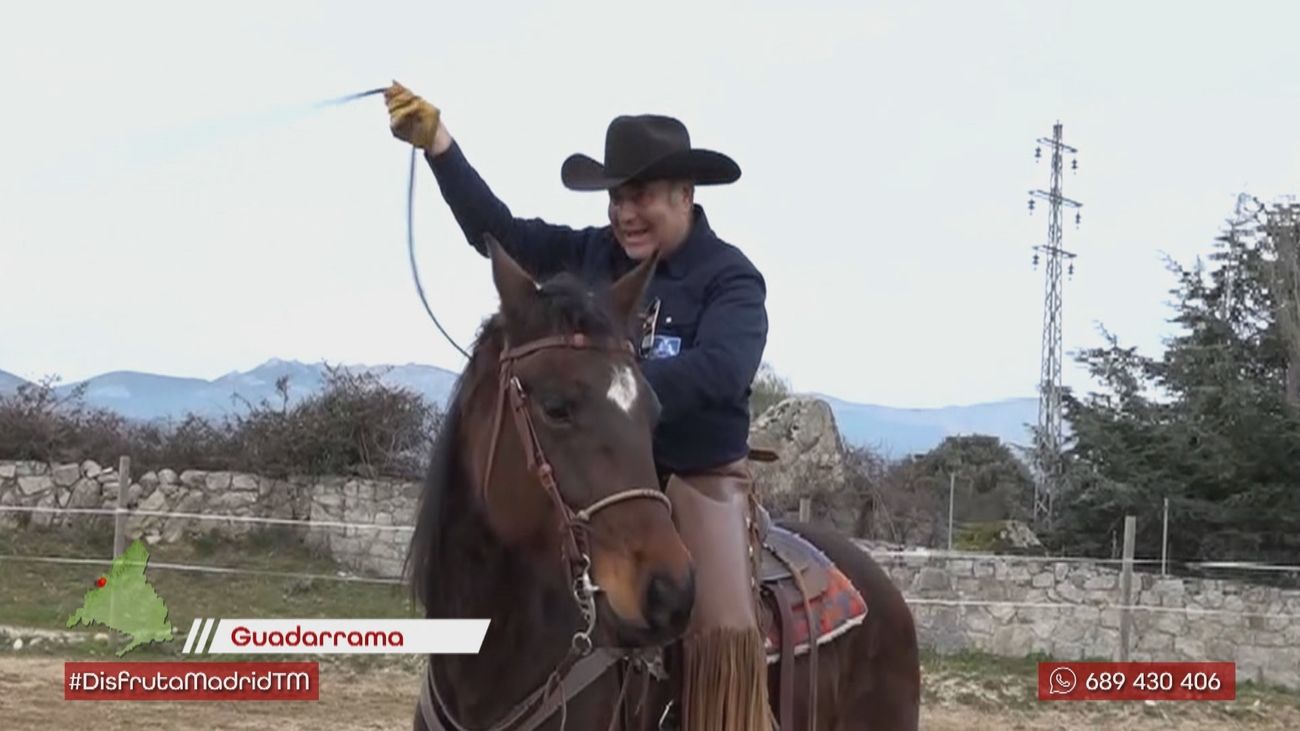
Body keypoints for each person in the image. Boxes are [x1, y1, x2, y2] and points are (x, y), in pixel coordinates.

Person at [385, 81, 773, 731]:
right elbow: (499, 234)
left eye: (643, 195)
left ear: (685, 195)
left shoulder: (729, 277)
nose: (626, 212)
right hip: (596, 473)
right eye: (619, 196)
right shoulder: (593, 254)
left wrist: (616, 394)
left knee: (719, 624)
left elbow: (724, 370)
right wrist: (440, 147)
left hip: (697, 480)